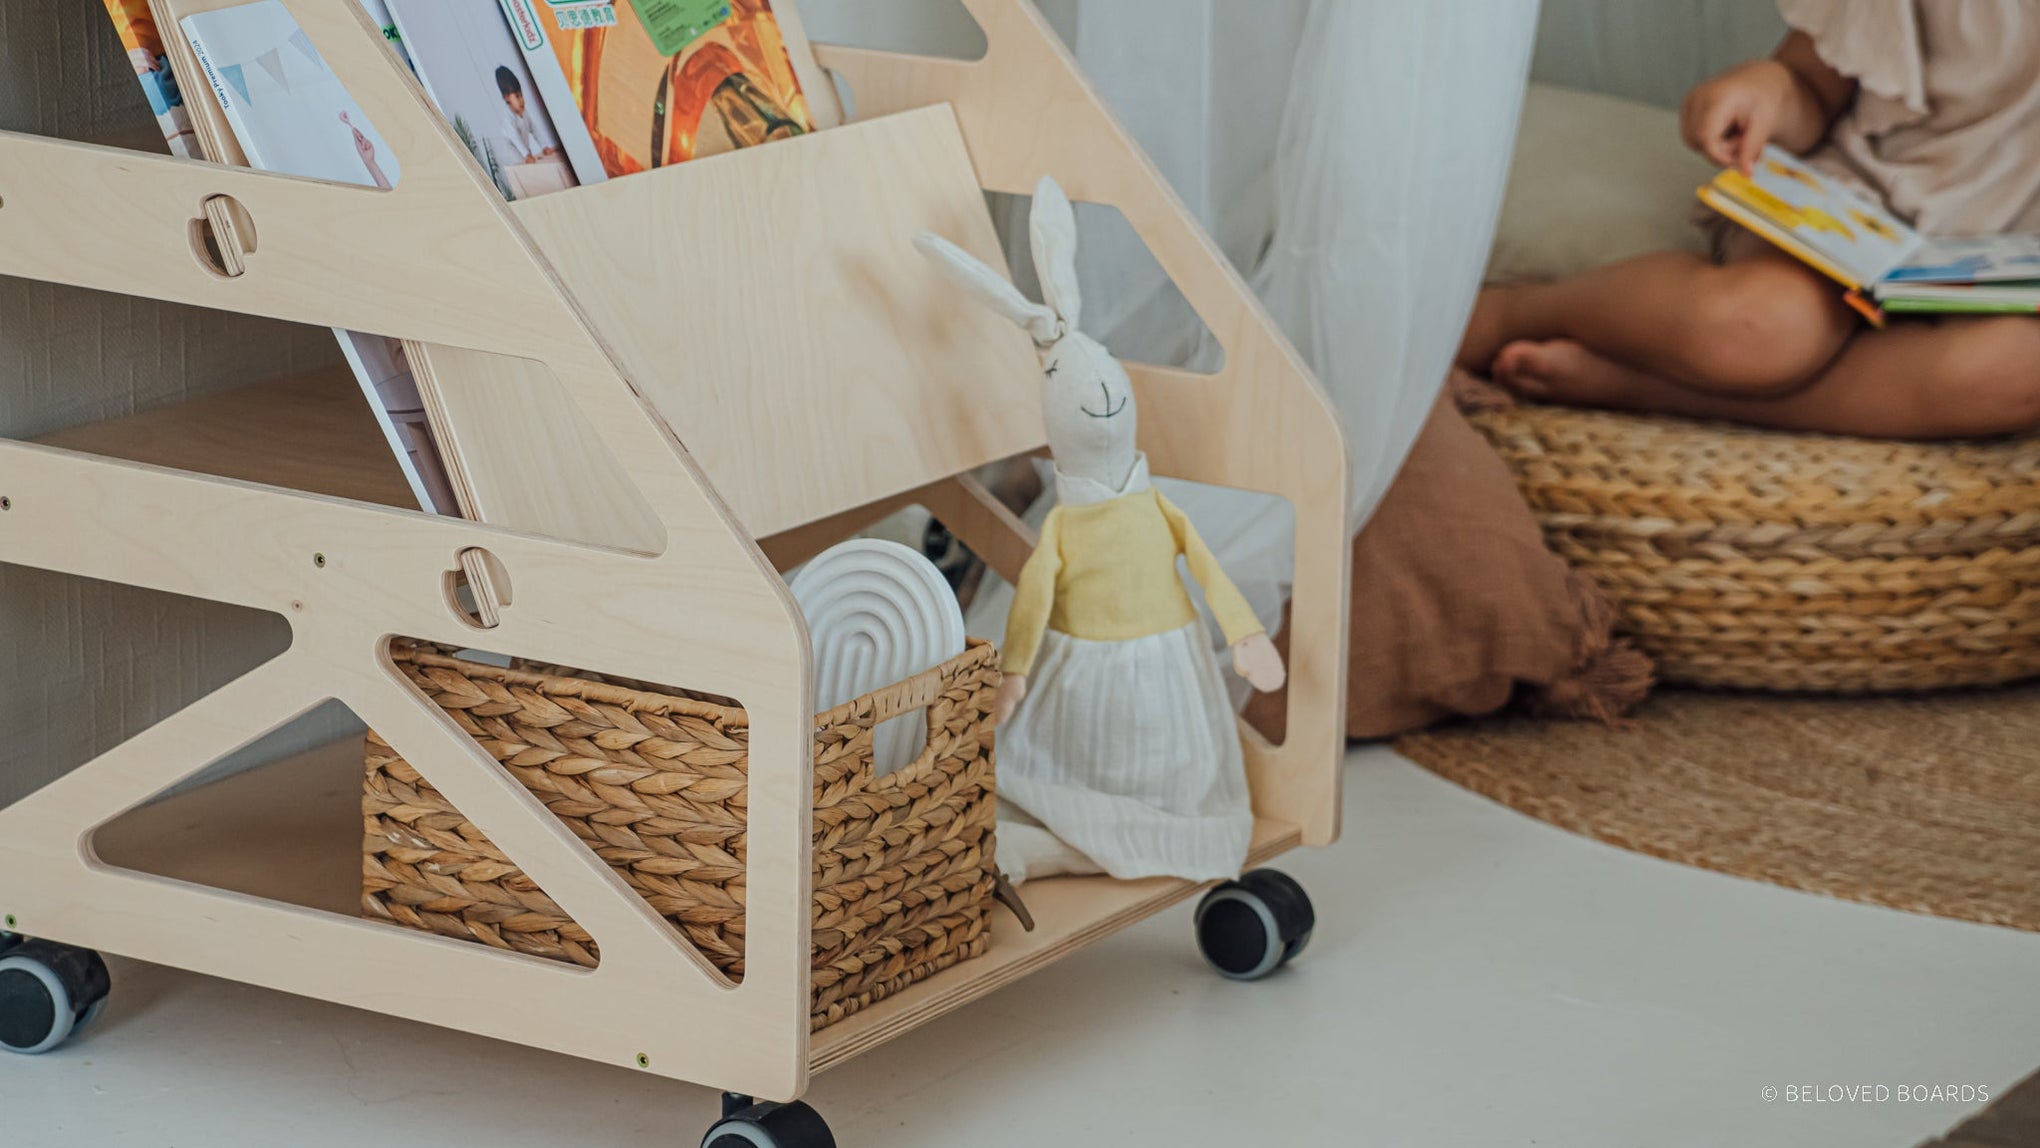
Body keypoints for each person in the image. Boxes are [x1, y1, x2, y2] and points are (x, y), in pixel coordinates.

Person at [1457, 1, 2040, 439]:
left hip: (2012, 266)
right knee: (1756, 328)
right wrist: (1761, 94)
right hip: (1858, 205)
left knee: (2015, 372)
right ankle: (1517, 310)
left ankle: (1650, 390)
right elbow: (1810, 84)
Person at [495, 65, 556, 164]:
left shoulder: (524, 112)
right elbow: (515, 138)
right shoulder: (508, 118)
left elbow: (534, 129)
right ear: (507, 98)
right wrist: (526, 155)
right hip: (515, 158)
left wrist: (544, 146)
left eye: (521, 95)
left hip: (525, 152)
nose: (521, 100)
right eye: (517, 96)